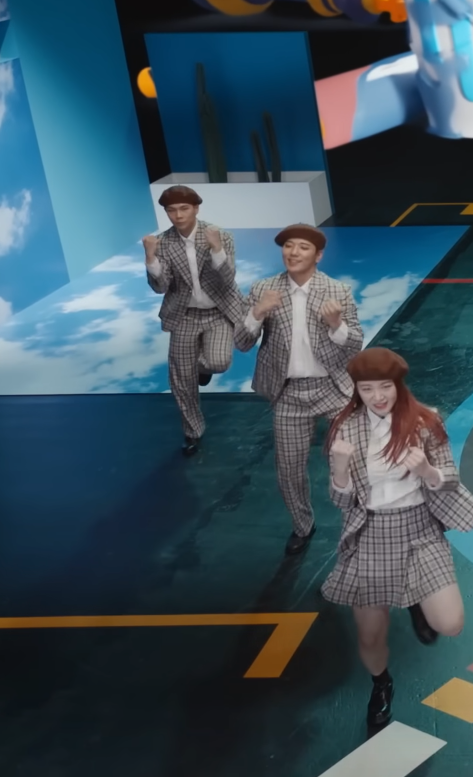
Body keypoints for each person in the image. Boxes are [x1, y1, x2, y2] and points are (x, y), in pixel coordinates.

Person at [324, 348, 473, 733]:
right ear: (356, 390)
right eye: (367, 389)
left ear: (398, 384)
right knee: (370, 634)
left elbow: (450, 479)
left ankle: (415, 600)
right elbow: (341, 502)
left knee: (450, 623)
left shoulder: (425, 421)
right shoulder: (345, 428)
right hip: (370, 533)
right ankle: (381, 683)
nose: (377, 396)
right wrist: (340, 472)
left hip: (419, 529)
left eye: (385, 386)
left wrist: (427, 471)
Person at [236, 225, 363, 555]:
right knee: (289, 470)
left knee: (355, 460)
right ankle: (302, 526)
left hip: (333, 389)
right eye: (288, 246)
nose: (293, 252)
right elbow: (242, 342)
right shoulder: (263, 289)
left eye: (303, 247)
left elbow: (355, 344)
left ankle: (362, 522)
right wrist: (258, 312)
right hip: (288, 394)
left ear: (318, 256)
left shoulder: (338, 291)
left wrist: (336, 324)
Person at [142, 187, 238, 456]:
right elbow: (160, 287)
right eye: (171, 210)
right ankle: (192, 432)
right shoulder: (163, 243)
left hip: (218, 312)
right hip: (184, 315)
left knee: (219, 361)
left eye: (184, 208)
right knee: (181, 379)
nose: (178, 215)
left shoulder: (220, 235)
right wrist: (150, 257)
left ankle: (202, 369)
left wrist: (216, 248)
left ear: (196, 208)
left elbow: (227, 279)